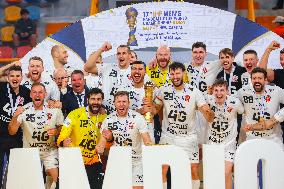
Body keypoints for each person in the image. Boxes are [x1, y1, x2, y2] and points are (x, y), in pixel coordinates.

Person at [153, 62, 214, 189]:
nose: (175, 76)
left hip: (188, 137)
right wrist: (150, 106)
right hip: (168, 136)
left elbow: (205, 110)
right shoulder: (164, 90)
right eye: (172, 73)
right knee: (162, 169)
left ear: (184, 73)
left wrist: (209, 114)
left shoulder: (194, 91)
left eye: (178, 73)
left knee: (193, 170)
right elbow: (155, 109)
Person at [8, 83, 64, 189]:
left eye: (40, 92)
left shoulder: (54, 109)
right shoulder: (24, 110)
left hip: (49, 151)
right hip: (30, 152)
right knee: (30, 183)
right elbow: (12, 131)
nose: (37, 95)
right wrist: (15, 116)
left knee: (57, 180)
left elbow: (62, 128)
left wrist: (56, 131)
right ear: (30, 94)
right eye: (34, 92)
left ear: (45, 94)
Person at [97, 90, 152, 189]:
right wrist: (100, 148)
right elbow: (102, 142)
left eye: (124, 102)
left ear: (128, 103)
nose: (121, 104)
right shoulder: (109, 120)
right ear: (114, 103)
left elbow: (147, 140)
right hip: (118, 160)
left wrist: (151, 151)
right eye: (119, 102)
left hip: (136, 161)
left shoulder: (138, 118)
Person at [57, 88, 107, 189]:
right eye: (93, 99)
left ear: (102, 101)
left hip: (94, 162)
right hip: (75, 161)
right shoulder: (74, 114)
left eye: (98, 99)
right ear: (87, 100)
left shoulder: (105, 117)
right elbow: (61, 137)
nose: (96, 102)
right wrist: (63, 143)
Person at [206, 79, 244, 189]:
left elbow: (242, 112)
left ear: (227, 91)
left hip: (229, 144)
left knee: (226, 172)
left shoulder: (235, 102)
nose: (218, 93)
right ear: (212, 91)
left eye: (222, 90)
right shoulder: (208, 100)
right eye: (216, 90)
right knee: (215, 175)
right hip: (212, 143)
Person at [237, 67, 284, 150]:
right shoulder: (243, 92)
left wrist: (277, 117)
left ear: (265, 80)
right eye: (254, 78)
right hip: (252, 138)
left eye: (260, 78)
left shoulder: (275, 91)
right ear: (251, 80)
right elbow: (230, 100)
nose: (257, 81)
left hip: (274, 138)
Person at [0, 65, 31, 187]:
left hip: (17, 137)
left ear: (21, 77)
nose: (15, 78)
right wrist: (9, 65)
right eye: (12, 75)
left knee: (16, 169)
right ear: (7, 77)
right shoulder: (1, 88)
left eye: (17, 76)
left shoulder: (26, 92)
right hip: (1, 136)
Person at [84, 42, 132, 113]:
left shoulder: (136, 71)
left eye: (124, 53)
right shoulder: (108, 67)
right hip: (106, 113)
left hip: (127, 114)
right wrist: (101, 49)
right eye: (118, 53)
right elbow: (87, 67)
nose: (121, 56)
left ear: (130, 56)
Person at [122, 60, 157, 142]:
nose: (137, 71)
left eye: (140, 69)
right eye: (134, 69)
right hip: (129, 132)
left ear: (145, 72)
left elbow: (158, 110)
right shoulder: (123, 90)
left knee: (148, 154)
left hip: (148, 131)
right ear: (130, 71)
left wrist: (152, 109)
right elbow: (121, 112)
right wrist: (140, 111)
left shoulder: (153, 89)